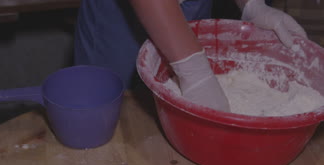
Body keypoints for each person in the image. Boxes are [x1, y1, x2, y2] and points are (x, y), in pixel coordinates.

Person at [74, 0, 308, 112]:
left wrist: (252, 4)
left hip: (192, 6)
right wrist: (195, 72)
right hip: (120, 22)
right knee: (114, 114)